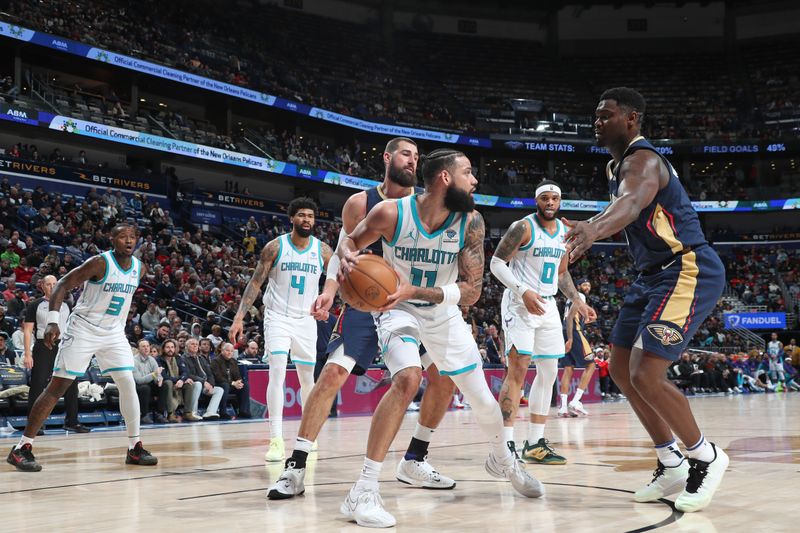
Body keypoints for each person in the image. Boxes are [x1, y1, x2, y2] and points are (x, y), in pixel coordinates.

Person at [337, 148, 543, 527]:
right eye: (468, 172)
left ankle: (503, 460)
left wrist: (415, 289)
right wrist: (348, 259)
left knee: (482, 401)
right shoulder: (391, 213)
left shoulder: (471, 221)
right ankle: (362, 491)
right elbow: (350, 242)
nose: (475, 180)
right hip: (396, 310)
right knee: (408, 379)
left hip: (442, 312)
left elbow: (473, 290)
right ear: (445, 178)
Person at [564, 87, 728, 513]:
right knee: (620, 369)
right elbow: (623, 204)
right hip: (649, 276)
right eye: (595, 116)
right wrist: (594, 226)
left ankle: (706, 456)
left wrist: (593, 230)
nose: (597, 122)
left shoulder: (644, 160)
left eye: (606, 115)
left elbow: (632, 203)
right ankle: (669, 458)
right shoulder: (613, 167)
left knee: (647, 373)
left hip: (686, 267)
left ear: (632, 119)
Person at [267, 138, 458, 501]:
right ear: (387, 158)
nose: (412, 161)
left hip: (412, 306)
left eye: (417, 157)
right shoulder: (360, 203)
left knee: (444, 378)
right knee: (331, 374)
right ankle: (295, 466)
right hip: (366, 304)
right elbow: (344, 248)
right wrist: (328, 288)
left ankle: (415, 458)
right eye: (406, 154)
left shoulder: (426, 204)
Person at [7, 224, 157, 471]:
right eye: (122, 237)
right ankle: (22, 447)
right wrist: (54, 321)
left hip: (113, 331)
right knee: (58, 386)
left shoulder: (140, 269)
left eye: (132, 237)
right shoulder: (100, 263)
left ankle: (135, 447)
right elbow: (62, 285)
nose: (128, 241)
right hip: (84, 329)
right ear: (112, 240)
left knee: (127, 382)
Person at [491, 180, 595, 465]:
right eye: (545, 198)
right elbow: (497, 264)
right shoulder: (522, 228)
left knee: (549, 372)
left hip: (548, 305)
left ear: (560, 202)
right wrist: (521, 291)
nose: (550, 203)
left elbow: (561, 274)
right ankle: (506, 445)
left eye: (555, 199)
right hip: (520, 302)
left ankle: (535, 443)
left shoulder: (564, 232)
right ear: (537, 201)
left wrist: (577, 300)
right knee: (519, 369)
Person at [229, 197, 333, 462]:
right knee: (277, 371)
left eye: (310, 215)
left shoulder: (323, 251)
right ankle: (276, 439)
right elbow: (255, 282)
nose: (307, 219)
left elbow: (336, 280)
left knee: (307, 378)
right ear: (291, 219)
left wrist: (327, 301)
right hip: (277, 316)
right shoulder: (275, 247)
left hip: (306, 319)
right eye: (301, 215)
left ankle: (308, 435)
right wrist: (239, 318)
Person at [22, 275, 90, 434]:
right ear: (42, 286)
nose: (52, 287)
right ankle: (33, 424)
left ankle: (72, 422)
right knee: (37, 385)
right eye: (48, 284)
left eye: (55, 284)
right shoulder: (35, 305)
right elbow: (27, 330)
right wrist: (27, 353)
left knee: (71, 384)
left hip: (64, 346)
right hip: (43, 346)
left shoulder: (67, 305)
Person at [558, 278, 599, 417]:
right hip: (573, 332)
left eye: (589, 284)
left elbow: (574, 316)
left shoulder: (570, 299)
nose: (587, 287)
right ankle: (576, 401)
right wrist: (570, 338)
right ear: (578, 286)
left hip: (564, 331)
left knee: (568, 369)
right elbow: (570, 318)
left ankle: (563, 407)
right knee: (591, 365)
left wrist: (586, 317)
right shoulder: (579, 296)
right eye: (584, 284)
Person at [132, 339, 169, 424]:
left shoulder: (152, 359)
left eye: (148, 346)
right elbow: (139, 380)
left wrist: (159, 379)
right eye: (143, 346)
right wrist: (154, 375)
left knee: (164, 385)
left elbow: (158, 374)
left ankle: (159, 413)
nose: (146, 348)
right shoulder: (134, 361)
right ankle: (144, 414)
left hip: (149, 384)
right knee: (145, 388)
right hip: (138, 386)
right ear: (138, 349)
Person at [210, 342, 251, 418]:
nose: (230, 353)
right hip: (220, 384)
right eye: (227, 350)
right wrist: (233, 383)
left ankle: (243, 411)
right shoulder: (215, 361)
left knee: (245, 385)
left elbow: (237, 375)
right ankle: (223, 412)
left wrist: (239, 382)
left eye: (232, 351)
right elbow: (218, 377)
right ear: (222, 351)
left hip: (232, 385)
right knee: (225, 385)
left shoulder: (233, 361)